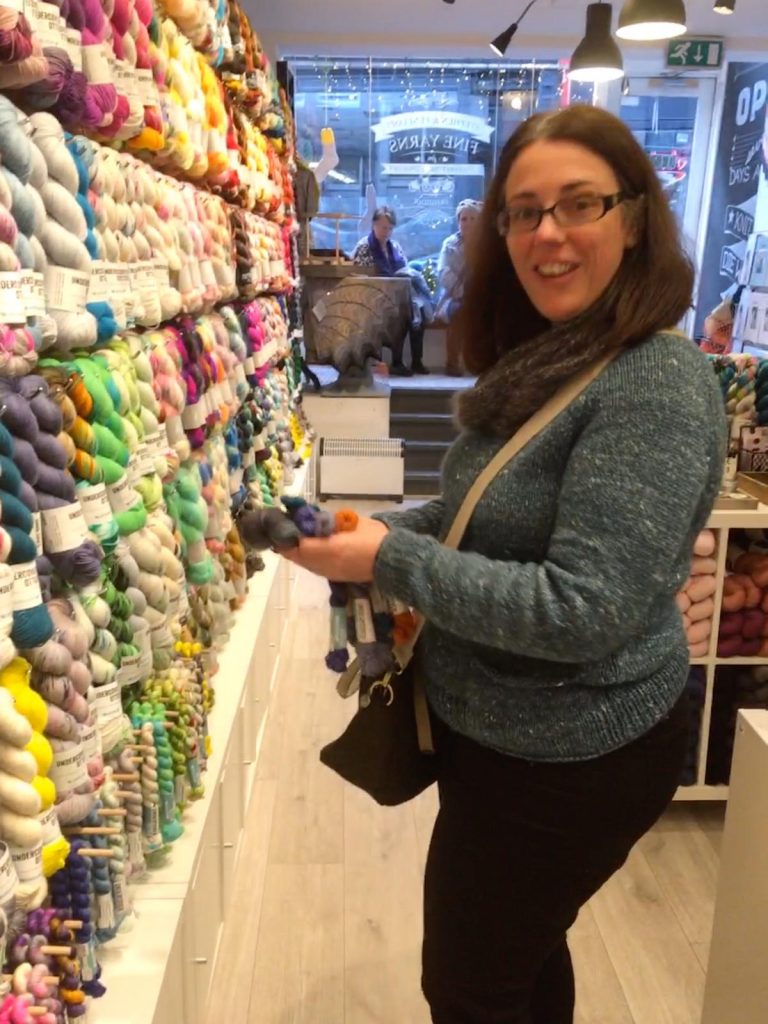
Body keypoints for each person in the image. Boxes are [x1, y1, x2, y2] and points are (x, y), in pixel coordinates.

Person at [282, 104, 727, 1023]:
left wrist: (390, 555)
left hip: (572, 757)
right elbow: (488, 510)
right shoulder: (557, 353)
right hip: (504, 739)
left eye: (579, 205)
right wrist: (370, 527)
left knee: (472, 984)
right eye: (523, 211)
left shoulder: (656, 385)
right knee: (521, 957)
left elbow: (582, 610)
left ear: (636, 218)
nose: (546, 234)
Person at [352, 206, 429, 376]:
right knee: (398, 313)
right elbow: (360, 277)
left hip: (397, 295)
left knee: (418, 312)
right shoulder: (364, 247)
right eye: (382, 227)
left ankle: (416, 361)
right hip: (372, 297)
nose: (386, 232)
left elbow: (405, 269)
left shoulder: (395, 247)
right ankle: (397, 361)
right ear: (374, 225)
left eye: (389, 228)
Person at [435, 199, 482, 375]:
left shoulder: (485, 244)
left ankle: (484, 361)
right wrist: (462, 292)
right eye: (464, 219)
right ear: (458, 221)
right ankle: (452, 363)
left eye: (472, 218)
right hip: (454, 296)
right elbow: (443, 272)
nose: (468, 222)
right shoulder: (449, 244)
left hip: (480, 295)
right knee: (459, 312)